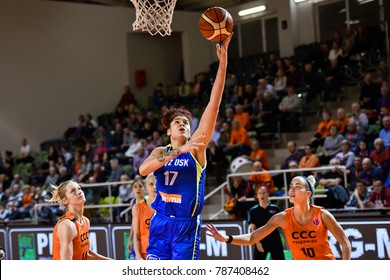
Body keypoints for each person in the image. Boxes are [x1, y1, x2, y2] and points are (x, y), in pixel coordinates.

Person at [138, 34, 232, 260]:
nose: (182, 124)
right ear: (168, 131)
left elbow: (213, 105)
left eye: (186, 123)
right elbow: (143, 170)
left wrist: (223, 64)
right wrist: (177, 151)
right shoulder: (161, 151)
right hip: (160, 221)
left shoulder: (197, 148)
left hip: (186, 226)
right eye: (177, 122)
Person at [206, 175, 352, 260]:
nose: (292, 189)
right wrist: (227, 239)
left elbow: (345, 243)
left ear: (308, 194)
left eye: (297, 186)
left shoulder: (322, 215)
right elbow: (252, 238)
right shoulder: (281, 217)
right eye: (291, 186)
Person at [48, 180, 111, 260]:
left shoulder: (85, 221)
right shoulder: (67, 225)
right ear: (65, 201)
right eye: (73, 191)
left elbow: (85, 254)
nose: (79, 192)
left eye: (79, 188)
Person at [248, 186, 286, 260]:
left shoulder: (275, 209)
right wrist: (257, 243)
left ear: (268, 194)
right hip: (261, 240)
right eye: (260, 193)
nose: (262, 195)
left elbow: (281, 227)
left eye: (264, 193)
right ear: (257, 196)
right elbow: (253, 229)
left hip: (275, 240)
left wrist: (286, 240)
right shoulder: (253, 211)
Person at [132, 174, 156, 260]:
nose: (154, 187)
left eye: (157, 184)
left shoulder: (166, 206)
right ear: (146, 188)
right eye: (151, 184)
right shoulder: (137, 207)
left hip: (162, 254)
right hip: (145, 254)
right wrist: (138, 256)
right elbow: (137, 235)